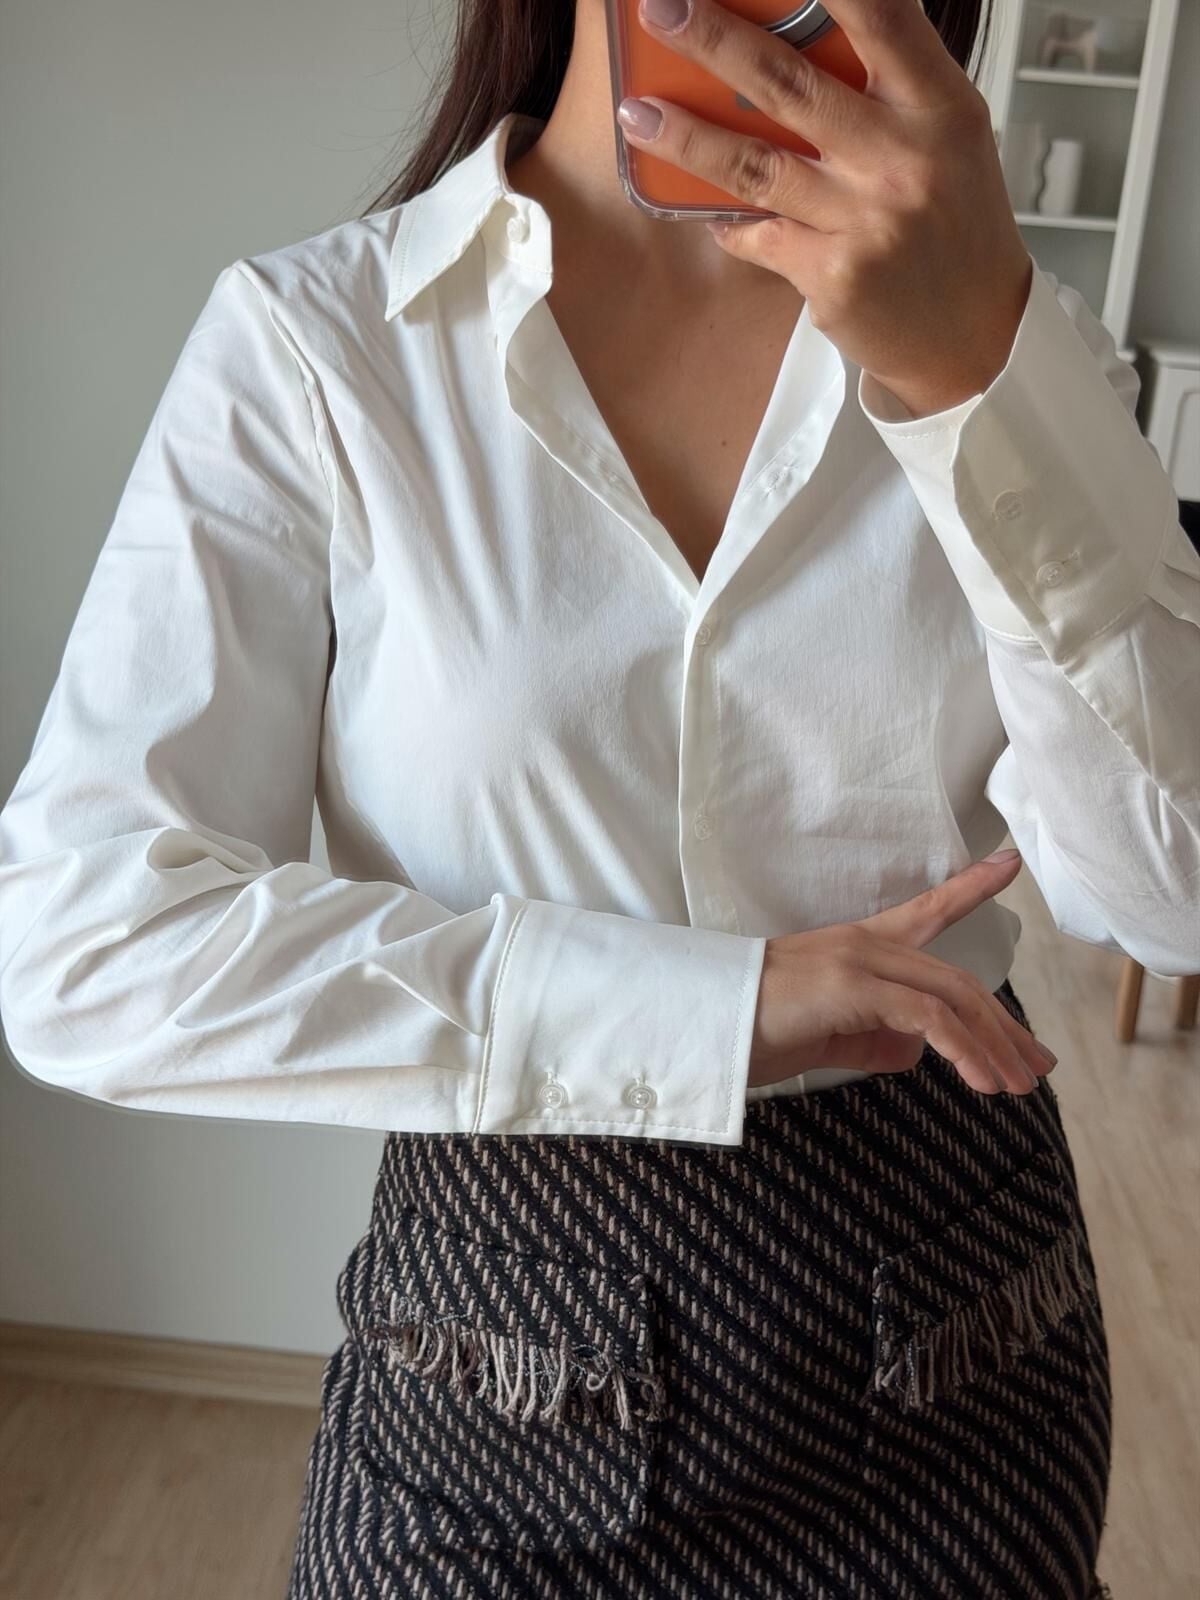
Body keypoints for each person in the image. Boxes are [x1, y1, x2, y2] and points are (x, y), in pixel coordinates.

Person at [2, 0, 1198, 1593]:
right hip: (500, 1345)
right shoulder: (323, 343)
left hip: (956, 1326)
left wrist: (974, 379)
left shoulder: (1025, 341)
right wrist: (706, 1009)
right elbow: (87, 941)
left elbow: (1171, 902)